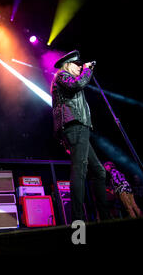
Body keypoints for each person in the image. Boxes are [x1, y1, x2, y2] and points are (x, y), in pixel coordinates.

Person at [51, 50, 109, 222]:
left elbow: (78, 85)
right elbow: (77, 85)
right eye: (77, 65)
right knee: (80, 169)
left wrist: (85, 71)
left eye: (80, 65)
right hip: (74, 126)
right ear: (67, 64)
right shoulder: (62, 75)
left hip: (79, 127)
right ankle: (78, 219)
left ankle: (104, 216)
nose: (80, 68)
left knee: (99, 171)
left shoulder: (69, 78)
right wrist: (88, 70)